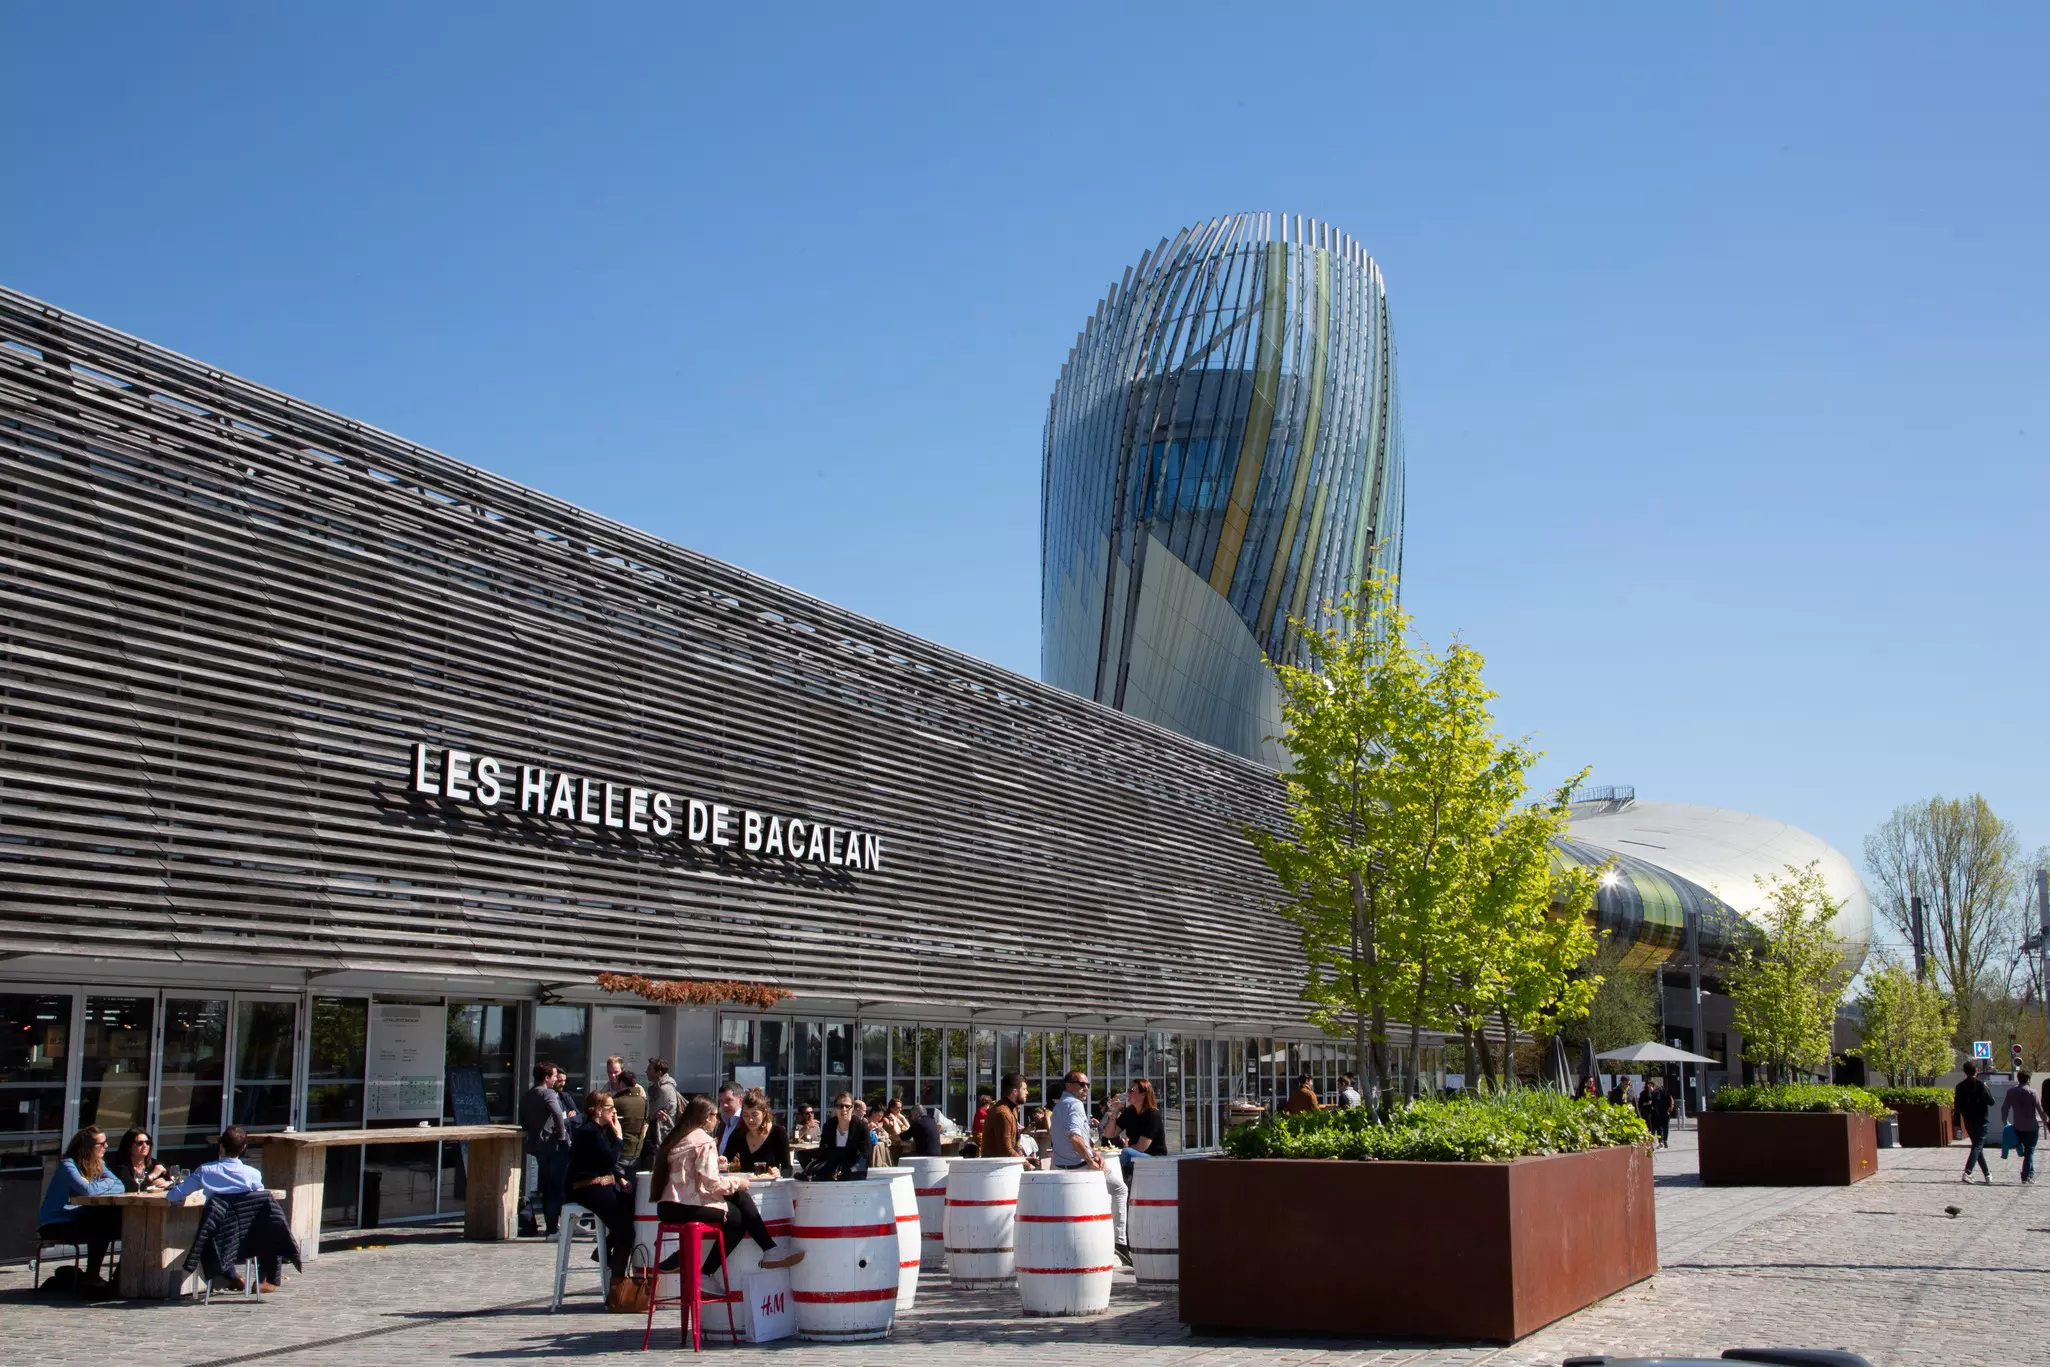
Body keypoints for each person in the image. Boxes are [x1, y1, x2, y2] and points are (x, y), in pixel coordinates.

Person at [656, 1096, 801, 1293]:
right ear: (706, 1118)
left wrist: (721, 1167)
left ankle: (768, 1251)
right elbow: (712, 1183)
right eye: (716, 1116)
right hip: (686, 1206)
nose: (718, 1120)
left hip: (667, 1207)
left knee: (739, 1201)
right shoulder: (704, 1140)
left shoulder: (680, 1136)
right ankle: (707, 1272)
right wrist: (737, 1182)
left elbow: (695, 1176)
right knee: (738, 1217)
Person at [38, 1126, 125, 1281]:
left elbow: (120, 1186)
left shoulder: (98, 1164)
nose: (106, 1146)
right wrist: (106, 1183)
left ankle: (116, 1277)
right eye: (101, 1144)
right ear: (87, 1147)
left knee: (114, 1225)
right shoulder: (68, 1165)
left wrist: (104, 1183)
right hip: (56, 1222)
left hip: (79, 1217)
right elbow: (87, 1191)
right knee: (101, 1230)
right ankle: (92, 1277)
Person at [566, 1089, 636, 1283]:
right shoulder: (589, 1132)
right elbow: (607, 1160)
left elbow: (603, 1163)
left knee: (631, 1206)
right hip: (588, 1188)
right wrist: (619, 1137)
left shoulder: (599, 1132)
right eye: (610, 1107)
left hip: (599, 1184)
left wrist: (620, 1178)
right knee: (626, 1230)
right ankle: (617, 1283)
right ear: (596, 1110)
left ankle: (603, 1250)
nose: (614, 1111)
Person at [520, 1061, 572, 1236]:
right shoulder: (548, 1093)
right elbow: (557, 1113)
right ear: (547, 1078)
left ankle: (552, 1227)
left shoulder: (528, 1095)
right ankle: (553, 1227)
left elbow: (524, 1120)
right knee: (556, 1188)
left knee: (546, 1187)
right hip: (554, 1146)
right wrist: (562, 1133)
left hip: (538, 1146)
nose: (557, 1079)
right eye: (555, 1076)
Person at [166, 1124, 268, 1201]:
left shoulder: (205, 1171)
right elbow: (260, 1202)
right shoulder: (254, 1175)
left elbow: (174, 1196)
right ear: (243, 1148)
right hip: (243, 1227)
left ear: (221, 1146)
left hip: (214, 1226)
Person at [802, 1091, 873, 1180]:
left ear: (852, 1108)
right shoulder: (828, 1126)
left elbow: (865, 1155)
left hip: (853, 1173)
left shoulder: (861, 1127)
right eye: (840, 1106)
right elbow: (823, 1151)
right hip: (831, 1171)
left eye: (847, 1106)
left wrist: (850, 1170)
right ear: (835, 1108)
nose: (844, 1109)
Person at [721, 1091, 791, 1175]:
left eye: (754, 1115)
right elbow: (725, 1159)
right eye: (746, 1115)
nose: (750, 1120)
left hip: (770, 1186)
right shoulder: (738, 1134)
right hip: (746, 1186)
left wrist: (778, 1172)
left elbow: (788, 1169)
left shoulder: (778, 1133)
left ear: (764, 1113)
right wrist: (722, 1162)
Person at [2001, 1068, 2045, 1184]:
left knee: (2027, 1151)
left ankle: (2030, 1173)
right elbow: (2040, 1110)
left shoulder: (2011, 1092)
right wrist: (2046, 1120)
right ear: (2029, 1079)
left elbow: (2004, 1107)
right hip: (2031, 1127)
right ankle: (2025, 1176)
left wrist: (2005, 1121)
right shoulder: (2032, 1093)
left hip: (2018, 1126)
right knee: (2030, 1151)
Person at [1955, 1062, 1994, 1184]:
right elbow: (1991, 1101)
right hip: (1981, 1119)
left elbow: (1957, 1106)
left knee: (1977, 1147)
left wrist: (1956, 1122)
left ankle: (1987, 1174)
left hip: (1968, 1119)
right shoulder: (1981, 1085)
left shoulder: (1960, 1086)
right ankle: (1968, 1172)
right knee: (1977, 1146)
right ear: (1976, 1070)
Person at [645, 1058, 682, 1168]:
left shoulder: (664, 1089)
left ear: (659, 1073)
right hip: (662, 1134)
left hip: (663, 1135)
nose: (646, 1072)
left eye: (650, 1069)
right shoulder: (659, 1088)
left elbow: (652, 1114)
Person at [112, 1128, 171, 1193]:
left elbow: (178, 1180)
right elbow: (131, 1188)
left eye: (148, 1142)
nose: (145, 1146)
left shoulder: (154, 1163)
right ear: (129, 1147)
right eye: (140, 1143)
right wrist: (152, 1176)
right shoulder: (122, 1167)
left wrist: (167, 1183)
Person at [981, 1073, 1025, 1159]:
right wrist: (1026, 1163)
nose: (1027, 1092)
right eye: (1024, 1089)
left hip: (1006, 1163)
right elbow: (1006, 1149)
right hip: (995, 1167)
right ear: (1015, 1092)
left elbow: (1015, 1141)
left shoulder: (1013, 1109)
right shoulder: (1002, 1113)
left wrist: (1022, 1154)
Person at [613, 1069, 649, 1168]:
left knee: (619, 1181)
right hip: (637, 1151)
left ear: (621, 1083)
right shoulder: (644, 1102)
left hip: (621, 1151)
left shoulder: (616, 1102)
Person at [1636, 1077, 1673, 1147]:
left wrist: (1668, 1109)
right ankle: (1650, 1143)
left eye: (1651, 1085)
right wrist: (1647, 1103)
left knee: (1659, 1128)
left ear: (1653, 1085)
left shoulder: (1657, 1092)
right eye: (1648, 1085)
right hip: (1648, 1113)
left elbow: (1662, 1100)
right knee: (1650, 1128)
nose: (1649, 1086)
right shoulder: (1643, 1093)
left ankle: (1661, 1142)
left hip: (1656, 1113)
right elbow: (1640, 1104)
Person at [714, 1082, 745, 1153]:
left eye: (729, 1100)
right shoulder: (722, 1122)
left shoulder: (746, 1121)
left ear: (740, 1100)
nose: (724, 1105)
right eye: (721, 1101)